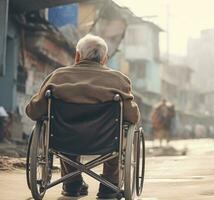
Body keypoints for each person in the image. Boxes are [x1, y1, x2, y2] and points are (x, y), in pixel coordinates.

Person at [26, 34, 140, 199]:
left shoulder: (58, 77)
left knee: (62, 132)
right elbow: (132, 117)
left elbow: (34, 112)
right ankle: (109, 187)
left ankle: (72, 184)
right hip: (105, 141)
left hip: (65, 139)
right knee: (120, 133)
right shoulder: (119, 80)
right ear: (104, 59)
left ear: (77, 56)